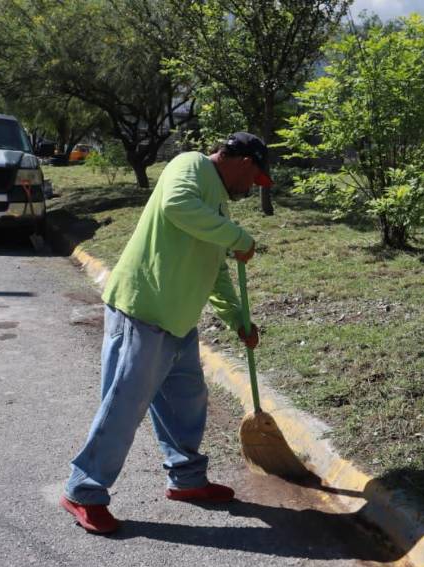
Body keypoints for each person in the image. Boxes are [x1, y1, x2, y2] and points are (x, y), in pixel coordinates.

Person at [60, 132, 273, 534]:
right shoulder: (190, 165)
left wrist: (239, 320)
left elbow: (217, 272)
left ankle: (187, 478)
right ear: (244, 163)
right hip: (143, 310)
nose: (250, 190)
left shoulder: (217, 205)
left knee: (186, 402)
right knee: (124, 403)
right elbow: (177, 206)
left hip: (177, 320)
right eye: (254, 181)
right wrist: (238, 237)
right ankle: (82, 490)